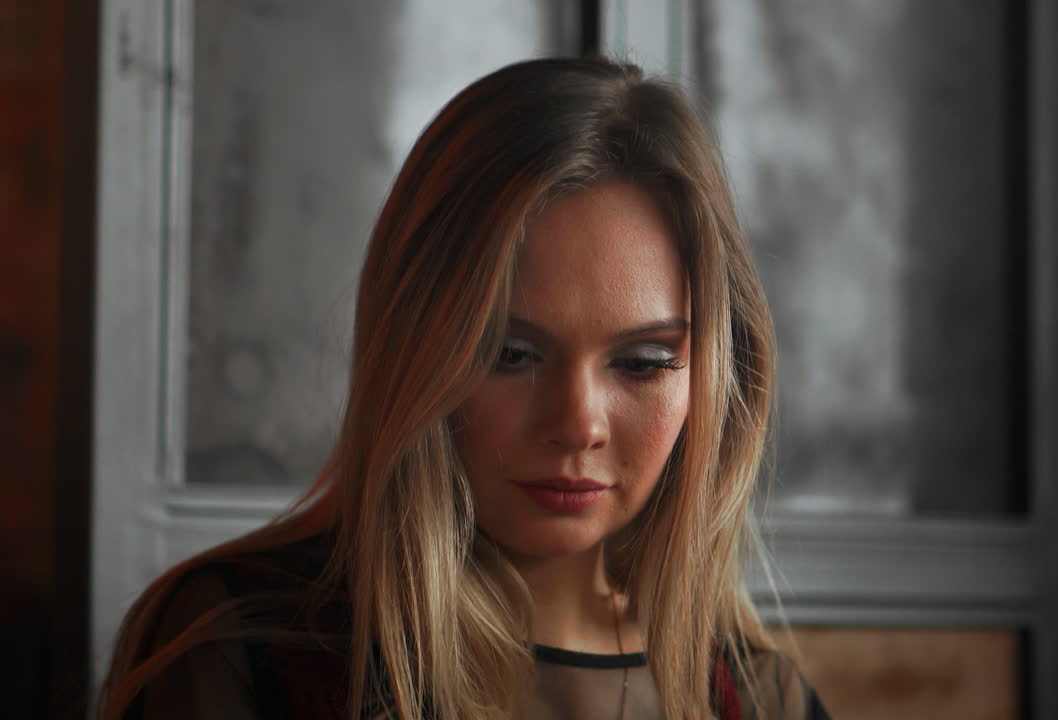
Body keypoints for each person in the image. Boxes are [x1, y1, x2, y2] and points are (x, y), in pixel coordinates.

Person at [97, 56, 830, 720]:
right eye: (511, 354)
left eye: (640, 362)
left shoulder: (757, 700)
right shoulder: (248, 646)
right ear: (418, 348)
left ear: (716, 374)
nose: (577, 424)